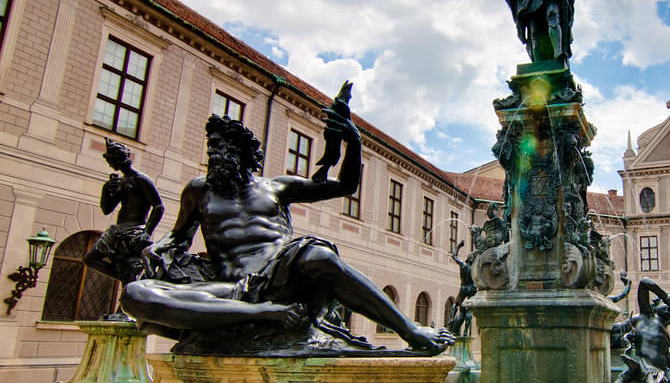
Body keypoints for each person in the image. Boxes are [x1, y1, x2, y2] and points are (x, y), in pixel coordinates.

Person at [123, 106, 453, 355]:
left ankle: (409, 329)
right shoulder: (199, 191)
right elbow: (178, 237)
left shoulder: (276, 188)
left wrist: (353, 140)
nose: (213, 154)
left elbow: (344, 185)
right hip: (229, 291)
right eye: (211, 147)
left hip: (280, 276)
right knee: (135, 294)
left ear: (242, 153)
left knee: (317, 256)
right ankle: (266, 315)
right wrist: (159, 246)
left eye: (221, 147)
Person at [84, 139, 164, 283]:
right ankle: (124, 278)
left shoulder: (141, 179)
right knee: (90, 259)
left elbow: (158, 206)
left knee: (132, 270)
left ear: (117, 159)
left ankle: (129, 282)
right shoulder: (121, 181)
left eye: (110, 160)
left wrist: (147, 231)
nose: (109, 164)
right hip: (117, 230)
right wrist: (106, 190)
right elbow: (107, 209)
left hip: (134, 229)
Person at [447, 240, 477, 337]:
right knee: (469, 310)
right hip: (472, 288)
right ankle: (465, 331)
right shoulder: (474, 268)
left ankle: (452, 319)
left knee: (457, 304)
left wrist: (459, 246)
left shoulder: (463, 265)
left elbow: (454, 256)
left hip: (463, 288)